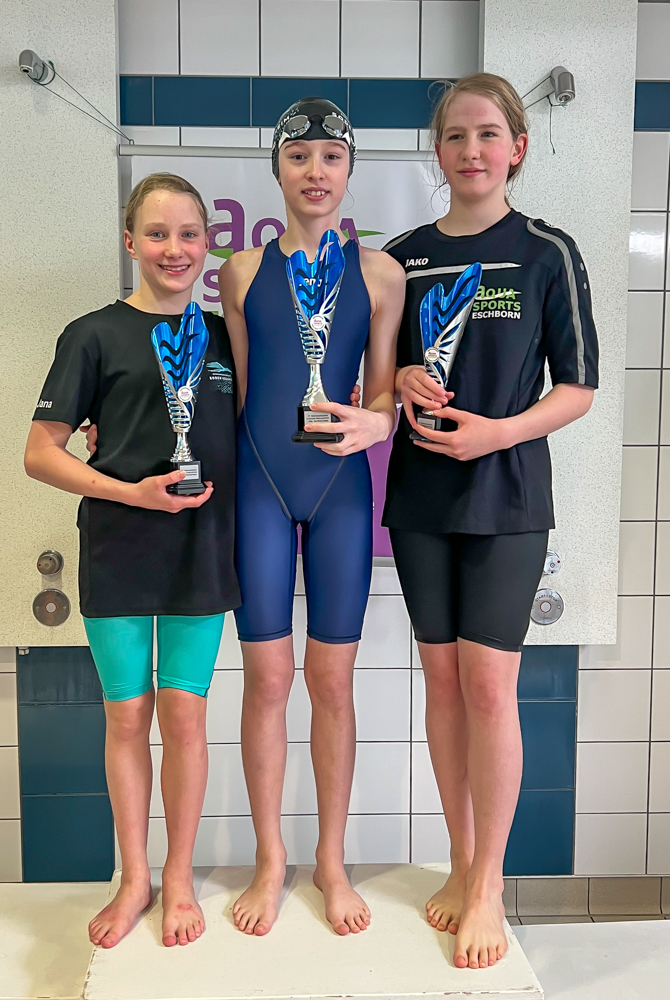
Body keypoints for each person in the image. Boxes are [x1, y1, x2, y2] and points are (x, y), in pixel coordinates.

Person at [383, 73, 598, 970]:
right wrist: (397, 379)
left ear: (517, 146)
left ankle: (488, 886)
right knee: (440, 685)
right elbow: (374, 379)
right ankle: (461, 858)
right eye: (454, 136)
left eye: (486, 134)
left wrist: (498, 433)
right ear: (436, 152)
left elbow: (578, 389)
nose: (470, 150)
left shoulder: (546, 251)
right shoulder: (399, 257)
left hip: (507, 497)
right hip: (420, 500)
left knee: (487, 689)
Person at [24, 174, 239, 949]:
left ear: (208, 243)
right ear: (130, 242)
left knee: (184, 716)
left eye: (188, 233)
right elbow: (40, 453)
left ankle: (178, 877)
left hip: (202, 551)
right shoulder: (92, 335)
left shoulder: (226, 337)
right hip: (118, 546)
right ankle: (134, 878)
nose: (173, 249)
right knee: (126, 715)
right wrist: (131, 493)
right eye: (156, 233)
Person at [219, 98, 405, 938]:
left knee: (331, 682)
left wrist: (377, 422)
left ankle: (331, 861)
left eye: (332, 157)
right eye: (299, 157)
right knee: (266, 680)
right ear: (278, 170)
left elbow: (383, 395)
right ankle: (271, 860)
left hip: (340, 491)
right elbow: (237, 393)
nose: (316, 171)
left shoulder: (380, 275)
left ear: (350, 169)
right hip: (262, 484)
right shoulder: (239, 272)